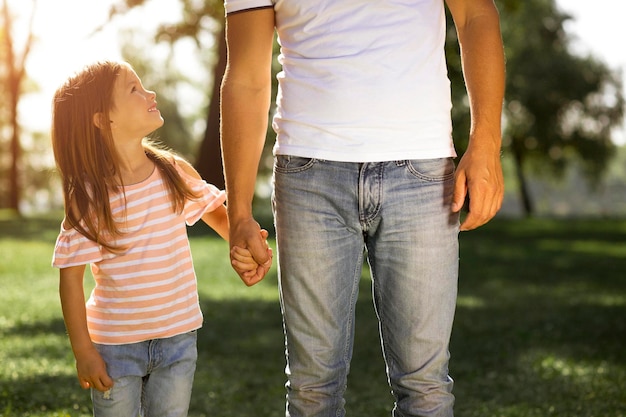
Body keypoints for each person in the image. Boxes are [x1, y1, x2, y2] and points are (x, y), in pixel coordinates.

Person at [219, 0, 505, 416]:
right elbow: (245, 77)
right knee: (312, 388)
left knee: (425, 386)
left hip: (422, 171)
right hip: (309, 174)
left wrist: (486, 144)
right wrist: (239, 212)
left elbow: (477, 15)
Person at [50, 60, 271, 417]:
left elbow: (214, 210)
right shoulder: (89, 198)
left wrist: (243, 242)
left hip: (178, 339)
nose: (149, 92)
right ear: (102, 119)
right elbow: (71, 279)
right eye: (134, 89)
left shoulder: (171, 170)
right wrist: (84, 351)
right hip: (115, 348)